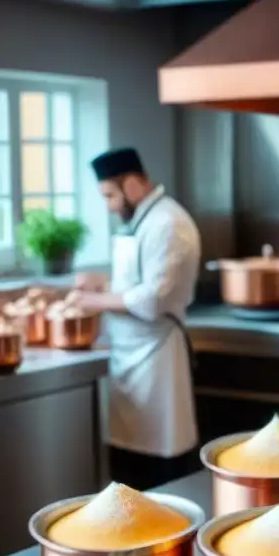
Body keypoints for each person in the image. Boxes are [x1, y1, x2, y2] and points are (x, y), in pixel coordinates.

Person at [73, 148, 202, 491]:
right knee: (129, 472)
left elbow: (152, 299)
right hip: (128, 357)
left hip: (157, 359)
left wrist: (94, 299)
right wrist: (102, 282)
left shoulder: (169, 223)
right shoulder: (142, 220)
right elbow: (136, 283)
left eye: (110, 195)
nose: (110, 205)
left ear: (132, 184)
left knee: (160, 473)